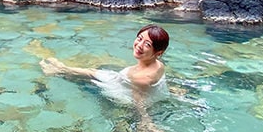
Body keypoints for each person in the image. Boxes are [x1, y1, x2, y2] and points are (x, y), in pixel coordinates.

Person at [39, 24, 169, 90]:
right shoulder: (159, 65)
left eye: (147, 44)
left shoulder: (141, 79)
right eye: (139, 38)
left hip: (119, 90)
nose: (139, 45)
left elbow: (139, 102)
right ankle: (61, 69)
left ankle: (59, 70)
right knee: (92, 72)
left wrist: (145, 123)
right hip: (122, 81)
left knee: (89, 78)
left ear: (158, 52)